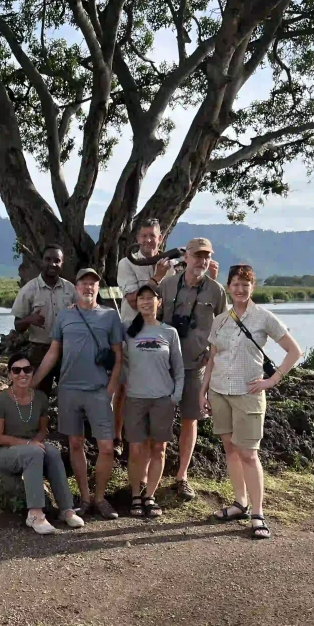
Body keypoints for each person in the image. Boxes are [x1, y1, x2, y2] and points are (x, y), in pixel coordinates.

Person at [202, 264, 303, 539]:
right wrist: (204, 390)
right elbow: (212, 357)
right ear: (228, 286)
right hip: (219, 391)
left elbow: (294, 351)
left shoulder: (264, 318)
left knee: (248, 453)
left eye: (245, 284)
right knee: (230, 449)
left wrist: (272, 381)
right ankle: (240, 503)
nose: (240, 288)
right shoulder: (221, 319)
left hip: (249, 394)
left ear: (252, 287)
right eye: (235, 283)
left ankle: (258, 513)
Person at [33, 268, 124, 519]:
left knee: (106, 447)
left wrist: (110, 390)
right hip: (69, 389)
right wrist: (33, 382)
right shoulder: (65, 316)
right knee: (75, 443)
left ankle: (101, 498)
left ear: (98, 288)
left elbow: (118, 357)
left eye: (93, 283)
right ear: (76, 287)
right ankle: (84, 498)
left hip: (98, 391)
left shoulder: (110, 316)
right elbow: (53, 352)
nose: (88, 287)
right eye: (83, 282)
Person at [157, 237, 227, 501]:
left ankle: (182, 477)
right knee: (161, 422)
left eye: (206, 256)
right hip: (165, 365)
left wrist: (214, 363)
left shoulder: (216, 290)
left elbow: (223, 330)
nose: (202, 261)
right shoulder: (167, 284)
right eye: (197, 255)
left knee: (190, 420)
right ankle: (152, 477)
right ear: (185, 256)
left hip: (196, 366)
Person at [0, 353, 83, 534]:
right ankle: (35, 514)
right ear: (9, 375)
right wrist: (27, 444)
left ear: (33, 372)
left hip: (30, 446)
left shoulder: (40, 398)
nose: (22, 374)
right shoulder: (1, 400)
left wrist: (34, 442)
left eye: (27, 369)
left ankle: (67, 510)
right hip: (2, 451)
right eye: (16, 370)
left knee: (53, 452)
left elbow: (43, 430)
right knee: (34, 452)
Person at [122, 283, 185, 517]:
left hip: (162, 399)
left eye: (151, 298)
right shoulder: (127, 329)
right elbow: (118, 359)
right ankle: (135, 495)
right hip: (135, 398)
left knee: (159, 449)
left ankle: (150, 496)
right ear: (136, 303)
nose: (146, 302)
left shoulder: (169, 332)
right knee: (136, 449)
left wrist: (175, 396)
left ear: (159, 302)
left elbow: (178, 368)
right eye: (141, 298)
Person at [114, 218, 174, 449]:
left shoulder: (171, 265)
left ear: (161, 238)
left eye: (153, 236)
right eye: (144, 236)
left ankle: (149, 437)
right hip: (132, 332)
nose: (149, 240)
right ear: (138, 239)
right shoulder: (127, 263)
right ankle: (117, 436)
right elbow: (132, 299)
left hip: (161, 334)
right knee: (124, 386)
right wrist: (157, 277)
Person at [10, 244, 77, 395]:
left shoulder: (71, 289)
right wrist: (29, 320)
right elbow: (17, 326)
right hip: (39, 351)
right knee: (39, 395)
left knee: (69, 394)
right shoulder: (29, 289)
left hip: (66, 351)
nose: (52, 264)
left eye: (57, 260)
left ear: (62, 263)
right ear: (41, 261)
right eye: (48, 259)